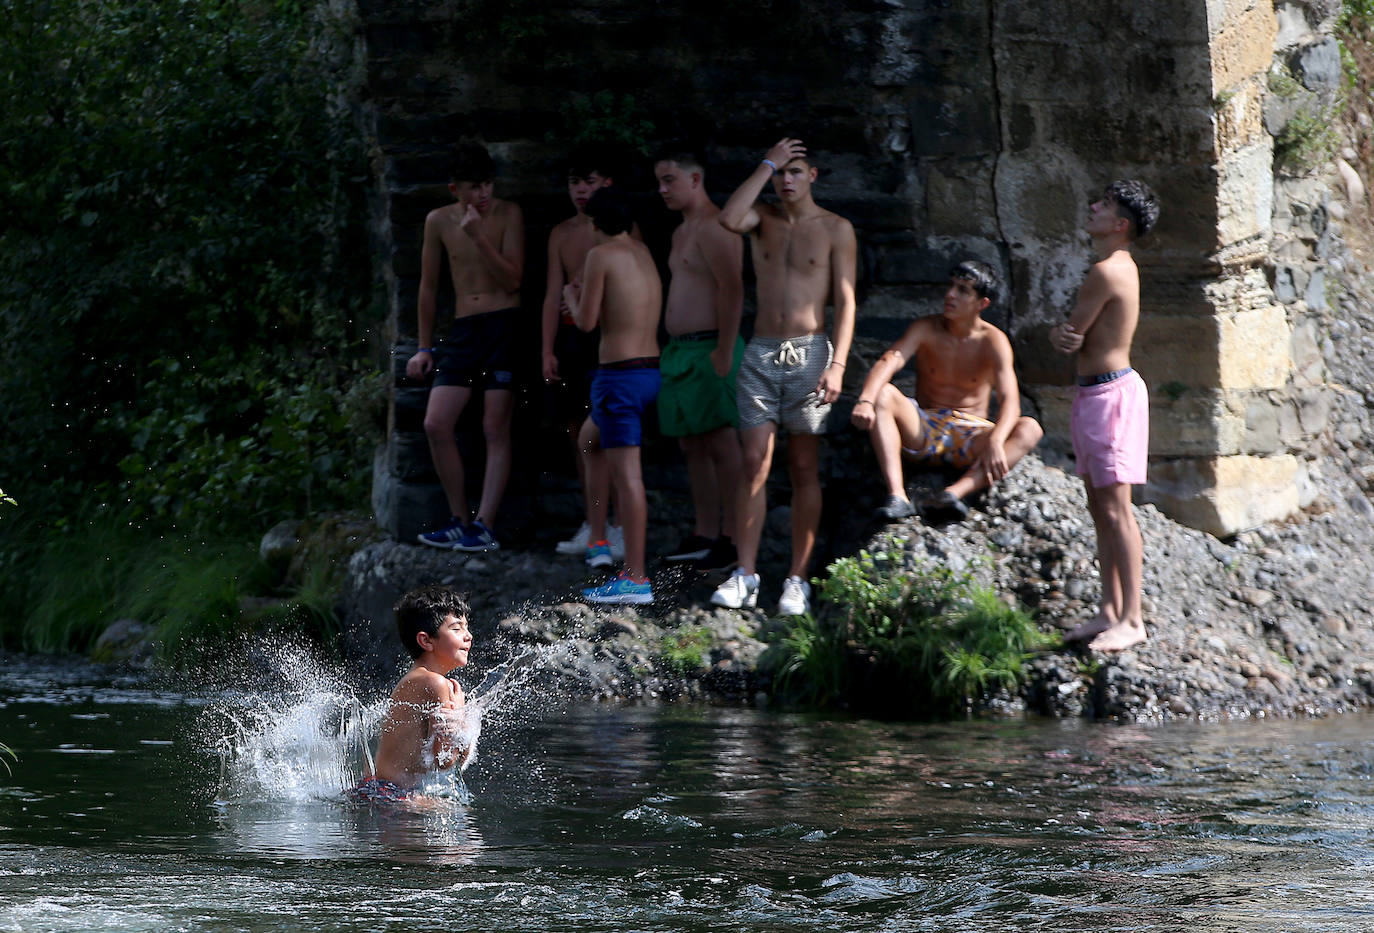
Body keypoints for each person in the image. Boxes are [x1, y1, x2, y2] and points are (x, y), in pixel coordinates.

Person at [711, 137, 857, 616]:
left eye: (795, 171)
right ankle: (746, 573)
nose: (786, 180)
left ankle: (796, 579)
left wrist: (837, 364)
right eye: (781, 173)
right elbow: (729, 217)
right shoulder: (763, 220)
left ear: (812, 175)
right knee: (753, 461)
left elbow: (847, 300)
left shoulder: (836, 228)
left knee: (802, 467)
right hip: (761, 351)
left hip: (812, 353)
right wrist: (765, 161)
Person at [1049, 180, 1160, 653]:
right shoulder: (1116, 267)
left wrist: (1063, 336)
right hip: (1094, 395)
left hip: (1113, 397)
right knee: (1100, 508)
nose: (1092, 206)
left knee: (1117, 511)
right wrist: (1068, 338)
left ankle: (1132, 619)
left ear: (1120, 225)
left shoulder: (1108, 270)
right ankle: (1109, 611)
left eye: (1105, 205)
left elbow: (1073, 332)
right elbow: (1078, 337)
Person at [850, 260, 1043, 523]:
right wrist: (865, 400)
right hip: (925, 428)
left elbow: (1011, 401)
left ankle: (952, 494)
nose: (950, 295)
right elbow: (890, 359)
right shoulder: (926, 327)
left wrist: (996, 440)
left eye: (963, 290)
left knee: (1030, 428)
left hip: (971, 434)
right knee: (883, 394)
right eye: (951, 286)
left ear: (981, 304)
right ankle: (897, 496)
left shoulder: (993, 340)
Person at [408, 142, 524, 553]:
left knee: (495, 426)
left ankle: (485, 524)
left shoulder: (509, 214)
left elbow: (513, 280)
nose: (484, 195)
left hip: (503, 326)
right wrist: (423, 347)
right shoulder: (438, 220)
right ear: (455, 189)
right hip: (462, 329)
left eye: (488, 185)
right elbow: (428, 287)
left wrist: (478, 236)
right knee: (436, 423)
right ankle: (459, 518)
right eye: (475, 187)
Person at [563, 187, 662, 604]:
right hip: (649, 371)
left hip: (617, 376)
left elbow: (585, 322)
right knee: (588, 439)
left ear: (593, 223)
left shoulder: (599, 255)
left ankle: (636, 578)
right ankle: (600, 539)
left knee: (629, 476)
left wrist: (571, 294)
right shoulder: (642, 251)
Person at [653, 150, 745, 571]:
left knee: (724, 443)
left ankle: (736, 537)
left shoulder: (716, 226)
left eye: (669, 179)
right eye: (659, 181)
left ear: (695, 179)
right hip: (680, 351)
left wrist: (725, 350)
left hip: (712, 347)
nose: (663, 189)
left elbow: (733, 289)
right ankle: (705, 532)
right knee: (692, 444)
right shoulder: (680, 231)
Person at [542, 146, 633, 562]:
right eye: (575, 183)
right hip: (572, 340)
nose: (581, 191)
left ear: (606, 184)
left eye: (589, 182)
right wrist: (546, 348)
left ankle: (615, 525)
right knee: (578, 432)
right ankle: (593, 521)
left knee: (609, 432)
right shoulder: (560, 233)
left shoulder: (622, 232)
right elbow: (551, 294)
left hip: (609, 340)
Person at [351, 585, 474, 802]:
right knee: (455, 811)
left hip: (378, 791)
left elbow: (449, 762)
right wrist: (462, 719)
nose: (468, 636)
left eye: (467, 627)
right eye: (457, 629)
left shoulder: (422, 678)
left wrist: (461, 724)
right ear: (426, 640)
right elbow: (444, 761)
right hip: (390, 797)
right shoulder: (435, 683)